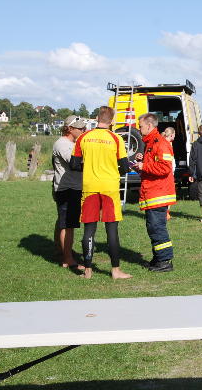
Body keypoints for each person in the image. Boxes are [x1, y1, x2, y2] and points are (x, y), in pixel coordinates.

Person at [70, 106, 132, 280]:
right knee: (111, 229)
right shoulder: (116, 138)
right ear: (111, 121)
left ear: (97, 118)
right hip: (110, 188)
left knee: (89, 229)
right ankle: (115, 270)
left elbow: (74, 165)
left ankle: (88, 270)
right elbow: (125, 167)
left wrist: (89, 167)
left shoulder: (83, 137)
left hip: (89, 186)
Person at [136, 113, 176, 272]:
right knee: (153, 227)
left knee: (157, 227)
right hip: (153, 192)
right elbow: (155, 164)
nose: (138, 128)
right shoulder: (151, 142)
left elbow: (165, 168)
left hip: (158, 193)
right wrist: (142, 162)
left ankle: (165, 261)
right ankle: (158, 258)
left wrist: (143, 166)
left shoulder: (160, 143)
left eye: (140, 125)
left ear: (149, 126)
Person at [52, 115, 86, 270]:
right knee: (68, 225)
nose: (83, 130)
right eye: (79, 128)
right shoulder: (63, 144)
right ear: (70, 129)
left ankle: (61, 251)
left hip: (70, 187)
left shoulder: (70, 143)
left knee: (63, 222)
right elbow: (75, 164)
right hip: (67, 189)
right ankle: (68, 258)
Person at [162, 127, 176, 221]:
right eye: (174, 134)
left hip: (168, 172)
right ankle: (165, 213)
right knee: (168, 193)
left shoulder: (163, 143)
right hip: (167, 173)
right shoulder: (167, 145)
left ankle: (166, 213)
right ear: (171, 135)